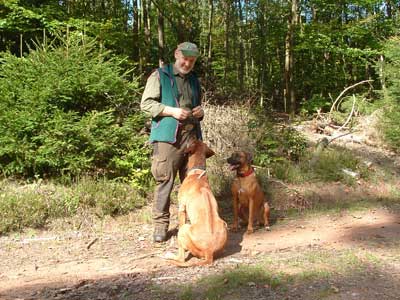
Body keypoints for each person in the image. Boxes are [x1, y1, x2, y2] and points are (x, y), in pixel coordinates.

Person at [140, 42, 204, 242]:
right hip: (168, 138)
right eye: (184, 59)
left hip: (191, 137)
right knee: (164, 181)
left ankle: (192, 223)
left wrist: (199, 112)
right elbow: (146, 104)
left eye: (192, 61)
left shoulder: (194, 80)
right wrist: (173, 111)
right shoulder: (159, 75)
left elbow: (196, 105)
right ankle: (160, 227)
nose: (187, 63)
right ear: (176, 54)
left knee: (194, 182)